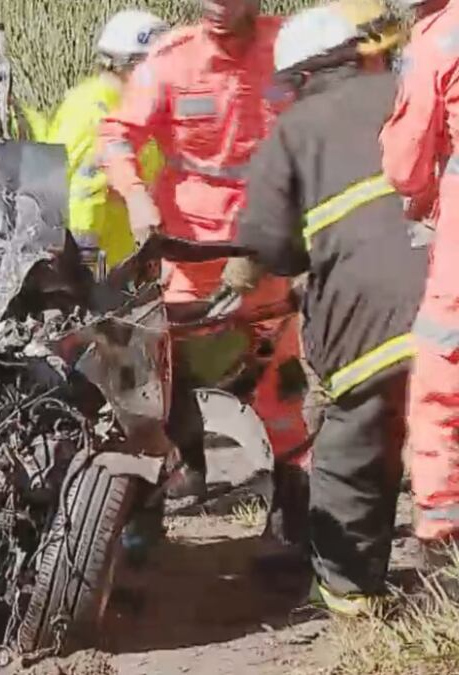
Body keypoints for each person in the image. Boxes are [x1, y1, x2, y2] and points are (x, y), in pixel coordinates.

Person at [229, 1, 419, 615]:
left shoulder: (293, 131)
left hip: (370, 324)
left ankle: (351, 597)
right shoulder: (411, 91)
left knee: (352, 451)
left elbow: (268, 244)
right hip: (446, 295)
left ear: (304, 77)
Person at [98, 0, 309, 507]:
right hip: (188, 253)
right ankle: (181, 478)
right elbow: (116, 136)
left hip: (264, 247)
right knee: (167, 377)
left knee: (278, 382)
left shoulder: (289, 49)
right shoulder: (172, 61)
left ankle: (293, 509)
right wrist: (135, 195)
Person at [379, 0, 459, 563]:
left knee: (439, 375)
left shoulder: (437, 40)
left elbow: (404, 165)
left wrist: (423, 195)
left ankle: (440, 542)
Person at [49, 10, 169, 273]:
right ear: (130, 66)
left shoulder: (131, 110)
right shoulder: (94, 114)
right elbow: (82, 196)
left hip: (123, 258)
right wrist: (87, 271)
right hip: (96, 266)